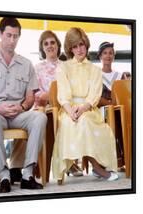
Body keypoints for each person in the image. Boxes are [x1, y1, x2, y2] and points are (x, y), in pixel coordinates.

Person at [0, 17, 47, 193]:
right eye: (8, 35)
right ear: (0, 34)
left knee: (40, 117)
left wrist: (21, 107)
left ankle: (27, 174)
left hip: (18, 113)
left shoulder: (26, 64)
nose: (12, 41)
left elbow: (30, 98)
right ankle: (4, 176)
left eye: (16, 36)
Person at [52, 27, 118, 183]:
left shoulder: (95, 70)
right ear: (70, 48)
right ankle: (98, 169)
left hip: (89, 109)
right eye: (74, 46)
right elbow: (63, 95)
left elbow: (94, 95)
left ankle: (98, 166)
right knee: (75, 123)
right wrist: (70, 111)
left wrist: (82, 109)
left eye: (81, 44)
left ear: (86, 45)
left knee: (86, 121)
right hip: (68, 111)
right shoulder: (64, 67)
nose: (79, 49)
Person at [35, 30, 83, 177]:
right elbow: (37, 94)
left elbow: (75, 89)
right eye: (46, 43)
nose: (50, 46)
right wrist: (54, 96)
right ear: (42, 48)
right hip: (46, 107)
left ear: (58, 45)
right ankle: (41, 165)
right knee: (48, 118)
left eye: (52, 42)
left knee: (76, 116)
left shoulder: (68, 66)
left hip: (66, 106)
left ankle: (69, 162)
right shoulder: (37, 68)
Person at [97, 41, 131, 107]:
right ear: (100, 56)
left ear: (113, 56)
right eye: (105, 53)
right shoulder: (96, 76)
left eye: (110, 53)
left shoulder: (120, 76)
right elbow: (95, 99)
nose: (108, 56)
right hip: (101, 113)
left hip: (120, 112)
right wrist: (111, 104)